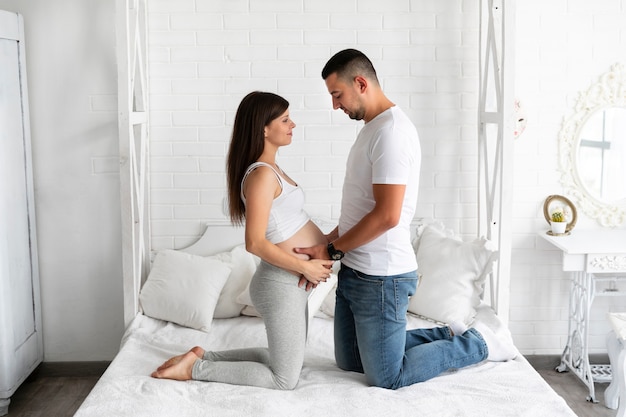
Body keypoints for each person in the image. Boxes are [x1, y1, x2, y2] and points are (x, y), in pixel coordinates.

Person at [295, 49, 516, 389]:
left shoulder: (392, 133)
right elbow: (360, 209)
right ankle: (445, 332)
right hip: (356, 270)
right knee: (350, 360)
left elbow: (386, 215)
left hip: (382, 278)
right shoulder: (372, 129)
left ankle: (480, 342)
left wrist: (333, 251)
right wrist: (326, 244)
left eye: (337, 95)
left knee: (387, 375)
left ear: (360, 83)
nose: (335, 105)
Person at [151, 91, 335, 390]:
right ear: (264, 127)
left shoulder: (272, 169)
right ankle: (195, 369)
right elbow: (255, 243)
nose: (293, 125)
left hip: (291, 282)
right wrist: (307, 268)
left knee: (283, 359)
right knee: (284, 379)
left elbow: (291, 224)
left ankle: (202, 355)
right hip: (281, 283)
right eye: (285, 119)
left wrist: (330, 240)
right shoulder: (261, 175)